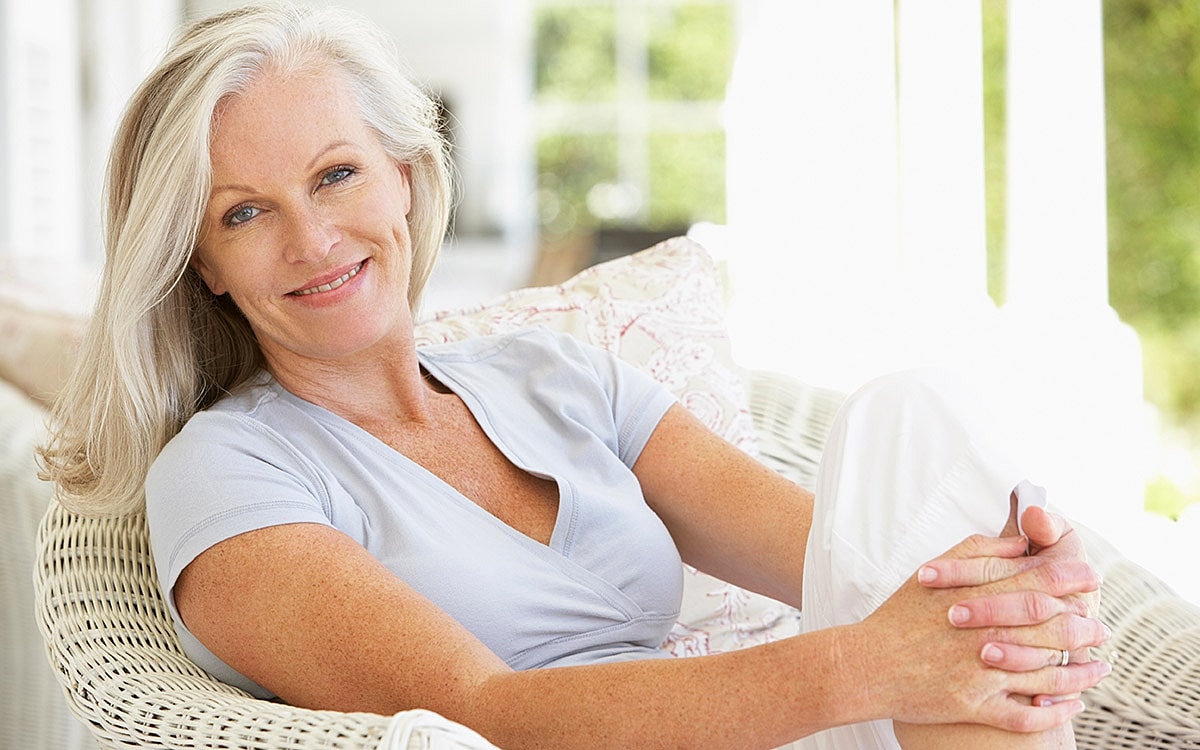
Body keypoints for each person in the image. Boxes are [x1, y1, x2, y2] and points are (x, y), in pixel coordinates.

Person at [38, 3, 1111, 748]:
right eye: (244, 212)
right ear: (204, 265)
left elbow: (859, 567)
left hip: (792, 736)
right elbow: (487, 714)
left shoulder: (548, 375)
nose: (314, 238)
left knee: (914, 417)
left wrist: (1019, 581)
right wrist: (864, 669)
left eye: (336, 175)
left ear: (407, 180)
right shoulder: (225, 472)